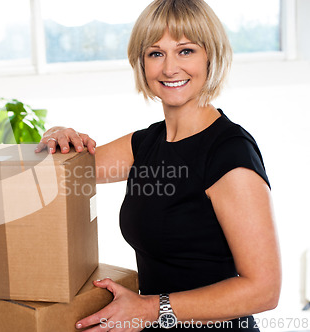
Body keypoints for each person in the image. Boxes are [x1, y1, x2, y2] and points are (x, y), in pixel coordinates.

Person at [34, 0, 281, 331]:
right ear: (142, 63)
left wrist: (150, 308)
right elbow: (66, 169)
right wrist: (55, 134)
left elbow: (264, 290)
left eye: (185, 51)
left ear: (211, 56)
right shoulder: (147, 144)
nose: (169, 68)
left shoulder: (229, 153)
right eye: (155, 53)